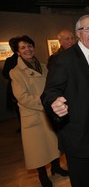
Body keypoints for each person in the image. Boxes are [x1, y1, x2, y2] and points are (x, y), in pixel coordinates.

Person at [41, 14, 89, 187]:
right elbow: (49, 92)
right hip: (77, 135)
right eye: (87, 28)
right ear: (78, 33)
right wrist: (54, 103)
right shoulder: (64, 59)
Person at [9, 35, 68, 187]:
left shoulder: (42, 66)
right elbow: (22, 97)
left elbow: (51, 86)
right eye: (23, 47)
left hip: (48, 112)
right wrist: (45, 103)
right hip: (34, 113)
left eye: (29, 46)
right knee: (37, 149)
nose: (27, 50)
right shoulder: (16, 72)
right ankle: (42, 175)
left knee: (54, 143)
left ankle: (56, 167)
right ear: (17, 52)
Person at [2, 37, 21, 132]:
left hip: (15, 87)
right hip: (15, 87)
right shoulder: (11, 60)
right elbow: (5, 74)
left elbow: (5, 74)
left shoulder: (11, 60)